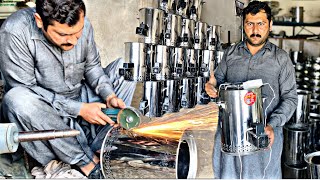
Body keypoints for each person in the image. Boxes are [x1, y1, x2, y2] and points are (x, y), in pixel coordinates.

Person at [0, 0, 135, 178]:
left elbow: (92, 68)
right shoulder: (15, 31)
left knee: (126, 69)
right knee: (17, 99)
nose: (72, 40)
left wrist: (109, 95)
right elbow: (25, 88)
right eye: (63, 34)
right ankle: (85, 163)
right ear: (40, 21)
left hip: (80, 98)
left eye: (77, 34)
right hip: (43, 113)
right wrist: (79, 109)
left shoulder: (83, 23)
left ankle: (98, 146)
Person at [205, 1, 297, 179]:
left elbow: (291, 99)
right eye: (250, 23)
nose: (255, 29)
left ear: (270, 25)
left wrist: (272, 125)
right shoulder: (231, 54)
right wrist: (211, 87)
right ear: (244, 25)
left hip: (264, 139)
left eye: (261, 23)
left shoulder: (281, 59)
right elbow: (218, 84)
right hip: (230, 137)